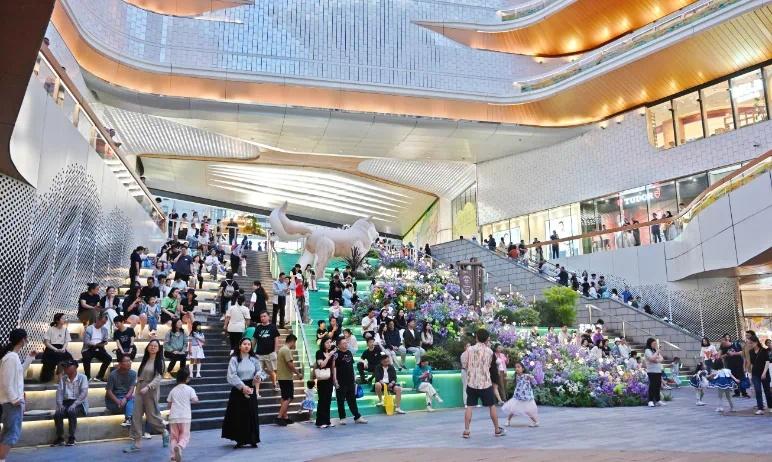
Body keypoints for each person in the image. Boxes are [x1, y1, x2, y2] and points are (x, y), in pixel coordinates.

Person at [124, 340, 169, 453]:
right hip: (140, 390)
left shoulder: (160, 362)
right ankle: (137, 442)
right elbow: (140, 376)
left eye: (155, 346)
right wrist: (136, 385)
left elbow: (158, 378)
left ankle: (164, 431)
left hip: (151, 391)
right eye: (151, 345)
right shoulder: (145, 360)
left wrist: (148, 387)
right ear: (148, 347)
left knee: (152, 417)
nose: (153, 347)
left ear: (158, 349)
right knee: (136, 416)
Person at [461, 329, 504, 439]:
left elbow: (464, 364)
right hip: (485, 383)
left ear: (476, 337)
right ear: (487, 339)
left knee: (469, 406)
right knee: (491, 406)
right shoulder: (490, 352)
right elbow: (491, 367)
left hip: (472, 383)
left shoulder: (469, 350)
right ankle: (497, 429)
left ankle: (466, 430)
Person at [0, 329, 35, 460]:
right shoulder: (10, 358)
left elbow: (19, 373)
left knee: (8, 432)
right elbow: (6, 382)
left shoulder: (13, 357)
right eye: (26, 338)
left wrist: (29, 358)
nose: (27, 341)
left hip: (12, 401)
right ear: (22, 340)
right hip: (11, 402)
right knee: (11, 433)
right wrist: (14, 399)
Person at [222, 338, 263, 448]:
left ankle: (253, 439)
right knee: (239, 415)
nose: (247, 346)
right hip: (238, 389)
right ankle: (239, 439)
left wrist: (257, 377)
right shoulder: (234, 359)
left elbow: (259, 370)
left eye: (249, 344)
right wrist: (242, 387)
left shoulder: (254, 359)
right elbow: (231, 375)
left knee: (252, 413)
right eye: (244, 344)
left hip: (251, 387)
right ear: (240, 346)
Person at [51, 359, 89, 446]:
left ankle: (72, 437)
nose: (65, 369)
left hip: (79, 403)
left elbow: (84, 393)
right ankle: (60, 438)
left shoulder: (83, 377)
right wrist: (60, 404)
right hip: (66, 402)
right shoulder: (63, 378)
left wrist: (75, 404)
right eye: (65, 367)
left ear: (75, 367)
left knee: (71, 411)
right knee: (58, 414)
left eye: (68, 367)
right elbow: (59, 392)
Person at [333, 337, 368, 424]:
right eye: (344, 343)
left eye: (346, 343)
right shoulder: (336, 355)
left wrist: (354, 377)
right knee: (340, 401)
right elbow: (334, 368)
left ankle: (357, 417)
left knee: (352, 400)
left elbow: (351, 366)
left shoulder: (349, 352)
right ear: (339, 345)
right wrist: (335, 380)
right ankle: (342, 417)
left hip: (350, 381)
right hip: (340, 381)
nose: (346, 344)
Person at [167, 367, 199, 462]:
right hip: (185, 417)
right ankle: (180, 446)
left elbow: (169, 405)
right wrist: (193, 400)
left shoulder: (173, 390)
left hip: (173, 417)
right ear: (187, 378)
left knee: (174, 437)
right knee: (185, 436)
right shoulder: (190, 389)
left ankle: (173, 456)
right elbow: (195, 400)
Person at [501, 362, 539, 427]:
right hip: (518, 395)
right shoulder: (517, 376)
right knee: (512, 409)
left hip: (525, 396)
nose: (517, 368)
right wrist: (507, 379)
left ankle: (535, 422)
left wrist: (531, 377)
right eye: (516, 367)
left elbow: (534, 381)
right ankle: (508, 421)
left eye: (518, 367)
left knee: (527, 411)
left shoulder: (526, 375)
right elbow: (517, 384)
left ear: (523, 369)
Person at [276, 334, 301, 426]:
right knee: (288, 397)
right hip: (286, 378)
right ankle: (279, 417)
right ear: (292, 341)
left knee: (284, 397)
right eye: (295, 342)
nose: (295, 345)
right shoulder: (286, 350)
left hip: (282, 377)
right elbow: (290, 364)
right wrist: (298, 373)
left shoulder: (282, 349)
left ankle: (285, 417)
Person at [105, 355, 137, 427]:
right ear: (120, 364)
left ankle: (128, 419)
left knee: (135, 399)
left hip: (126, 398)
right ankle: (129, 419)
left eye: (130, 361)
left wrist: (125, 398)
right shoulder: (113, 375)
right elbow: (109, 391)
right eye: (126, 361)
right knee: (133, 404)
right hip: (114, 400)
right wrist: (118, 401)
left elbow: (131, 388)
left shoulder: (133, 373)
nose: (129, 363)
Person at [41, 313, 73, 383]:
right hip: (51, 348)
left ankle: (62, 377)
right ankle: (59, 378)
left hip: (61, 348)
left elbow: (66, 342)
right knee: (58, 357)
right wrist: (55, 349)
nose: (64, 320)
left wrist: (63, 348)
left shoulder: (65, 330)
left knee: (69, 357)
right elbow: (46, 342)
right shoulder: (51, 329)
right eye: (62, 318)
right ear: (57, 320)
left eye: (65, 318)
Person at [254, 311, 280, 392]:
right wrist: (251, 351)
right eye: (261, 316)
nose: (262, 318)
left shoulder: (273, 327)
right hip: (259, 354)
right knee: (258, 372)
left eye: (264, 316)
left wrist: (275, 351)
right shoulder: (258, 327)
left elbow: (276, 339)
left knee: (272, 371)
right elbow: (254, 340)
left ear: (268, 317)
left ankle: (274, 384)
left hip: (270, 353)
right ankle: (256, 391)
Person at [81, 313, 112, 382]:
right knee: (86, 358)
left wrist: (104, 343)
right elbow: (86, 341)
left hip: (100, 348)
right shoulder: (89, 328)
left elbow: (105, 340)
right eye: (102, 322)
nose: (103, 324)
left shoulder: (104, 330)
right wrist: (95, 344)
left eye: (104, 323)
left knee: (108, 359)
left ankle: (99, 376)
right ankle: (87, 376)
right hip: (89, 348)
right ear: (97, 320)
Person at [748, 335, 771, 415]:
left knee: (767, 390)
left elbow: (767, 362)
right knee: (758, 390)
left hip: (764, 373)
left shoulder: (763, 350)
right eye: (749, 343)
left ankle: (770, 406)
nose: (750, 344)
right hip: (755, 373)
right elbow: (752, 364)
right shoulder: (750, 351)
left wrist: (764, 373)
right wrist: (751, 374)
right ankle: (760, 408)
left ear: (756, 342)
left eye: (751, 343)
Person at [315, 338, 335, 428]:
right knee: (322, 400)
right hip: (322, 380)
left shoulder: (331, 353)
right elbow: (321, 365)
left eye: (330, 342)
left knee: (328, 400)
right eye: (327, 342)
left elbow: (333, 367)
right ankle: (320, 422)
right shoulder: (319, 353)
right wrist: (328, 356)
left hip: (329, 379)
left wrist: (334, 379)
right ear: (323, 343)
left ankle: (327, 421)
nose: (329, 344)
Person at [644, 337, 665, 407]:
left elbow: (661, 358)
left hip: (658, 371)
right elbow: (652, 358)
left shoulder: (655, 351)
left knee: (658, 386)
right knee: (652, 386)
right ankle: (650, 401)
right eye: (654, 344)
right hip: (651, 371)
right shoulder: (647, 350)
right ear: (650, 344)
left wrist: (656, 359)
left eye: (655, 344)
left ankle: (658, 400)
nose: (655, 345)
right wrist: (657, 353)